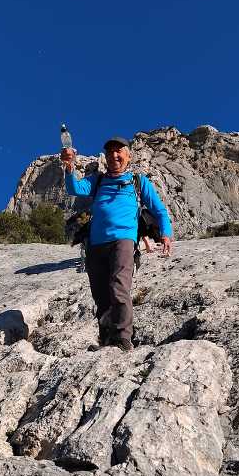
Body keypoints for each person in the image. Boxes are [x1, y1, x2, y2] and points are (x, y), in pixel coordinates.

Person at [62, 136, 172, 352]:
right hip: (95, 244)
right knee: (101, 296)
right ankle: (106, 340)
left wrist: (166, 234)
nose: (114, 155)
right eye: (110, 152)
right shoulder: (98, 180)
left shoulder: (138, 181)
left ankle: (123, 339)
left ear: (128, 156)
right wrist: (69, 166)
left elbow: (159, 210)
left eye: (119, 151)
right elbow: (74, 188)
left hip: (123, 241)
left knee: (119, 289)